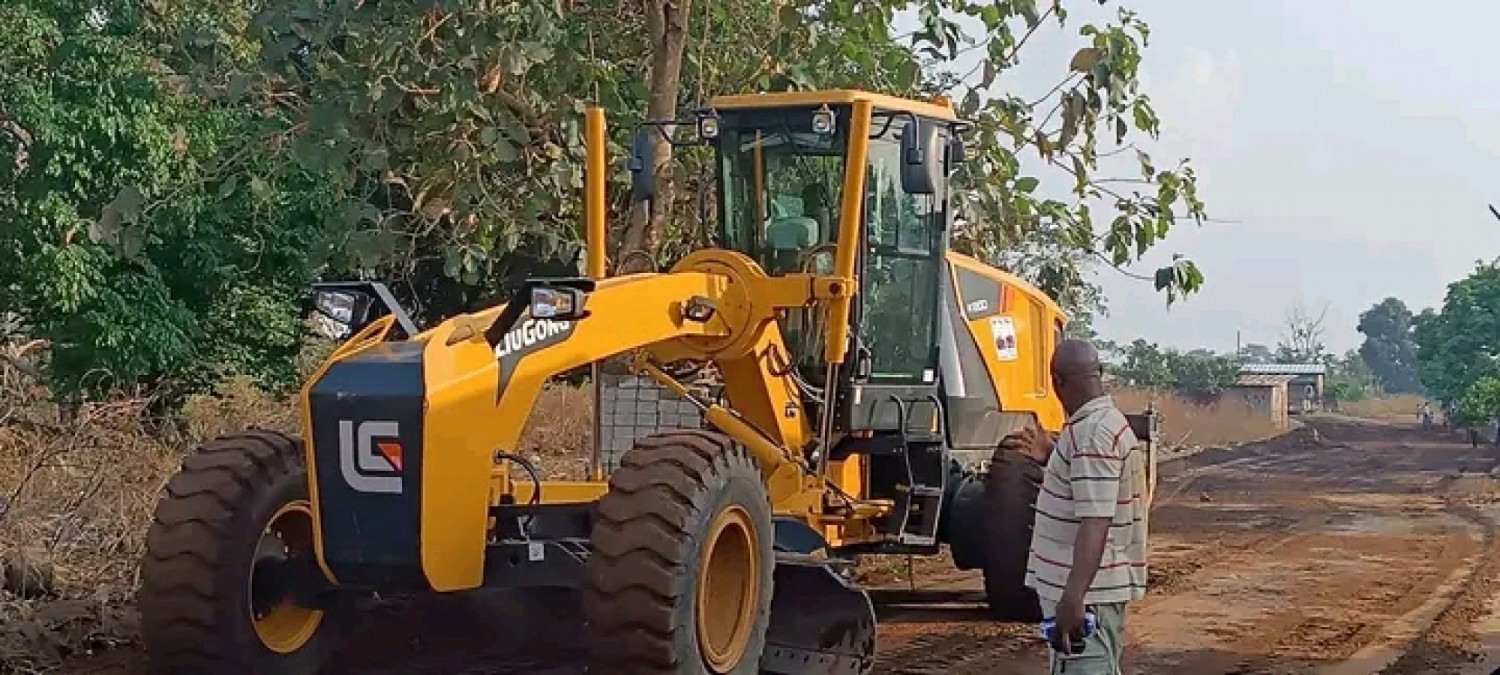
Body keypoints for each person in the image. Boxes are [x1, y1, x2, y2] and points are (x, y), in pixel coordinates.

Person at [1002, 339, 1147, 674]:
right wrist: (1055, 458)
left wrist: (1074, 596)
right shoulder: (1099, 426)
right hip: (1091, 588)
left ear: (1057, 382)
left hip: (1089, 592)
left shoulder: (1092, 434)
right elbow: (1091, 488)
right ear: (1100, 373)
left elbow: (1096, 520)